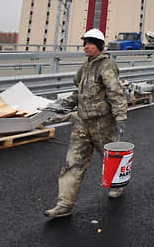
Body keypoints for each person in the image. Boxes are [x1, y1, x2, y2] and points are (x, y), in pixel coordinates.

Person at [44, 28, 128, 219]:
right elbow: (81, 92)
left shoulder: (106, 66)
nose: (86, 47)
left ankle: (117, 185)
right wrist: (67, 102)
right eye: (85, 43)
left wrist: (121, 117)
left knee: (111, 158)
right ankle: (64, 204)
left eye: (90, 43)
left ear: (98, 46)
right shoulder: (86, 66)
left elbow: (115, 93)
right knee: (73, 162)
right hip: (83, 123)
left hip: (102, 124)